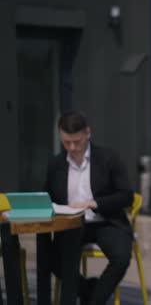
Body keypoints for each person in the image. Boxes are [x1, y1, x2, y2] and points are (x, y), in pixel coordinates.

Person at [45, 111, 134, 304]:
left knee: (121, 257)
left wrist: (93, 203)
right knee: (50, 258)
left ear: (88, 133)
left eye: (77, 141)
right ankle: (88, 290)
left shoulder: (108, 158)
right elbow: (47, 196)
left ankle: (94, 301)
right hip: (71, 225)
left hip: (106, 221)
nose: (72, 147)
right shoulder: (56, 164)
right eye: (66, 142)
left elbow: (127, 196)